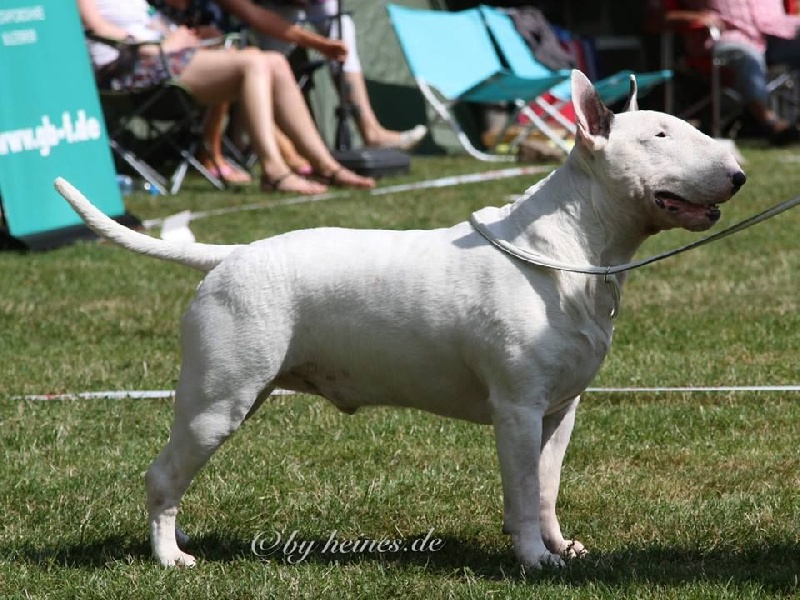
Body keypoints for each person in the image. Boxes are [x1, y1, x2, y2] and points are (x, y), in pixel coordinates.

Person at [78, 0, 375, 194]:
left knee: (274, 61)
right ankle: (274, 170)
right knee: (254, 62)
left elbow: (154, 23)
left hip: (165, 60)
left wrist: (190, 36)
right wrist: (163, 46)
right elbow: (101, 29)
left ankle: (326, 165)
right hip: (131, 70)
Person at [246, 0, 428, 150]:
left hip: (315, 4)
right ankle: (277, 147)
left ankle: (371, 131)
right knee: (268, 65)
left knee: (343, 28)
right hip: (270, 7)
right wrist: (319, 44)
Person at [664, 0, 800, 145]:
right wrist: (693, 17)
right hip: (728, 36)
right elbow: (662, 17)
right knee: (747, 56)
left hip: (778, 33)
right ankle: (772, 125)